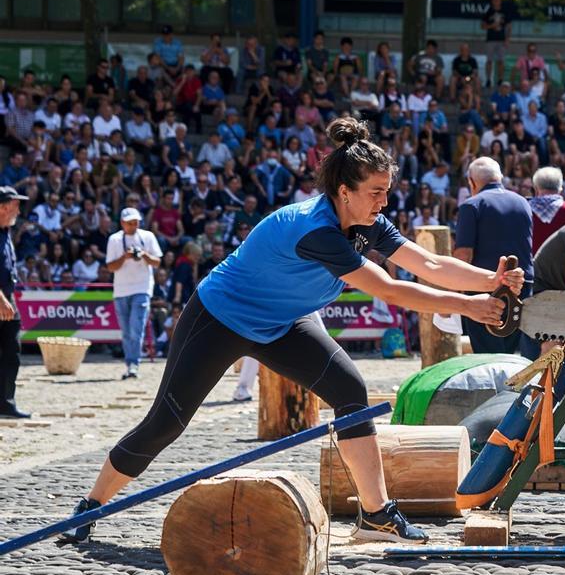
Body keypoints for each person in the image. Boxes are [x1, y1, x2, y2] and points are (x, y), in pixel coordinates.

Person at [62, 118, 521, 545]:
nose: (385, 202)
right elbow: (391, 291)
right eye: (377, 192)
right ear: (345, 191)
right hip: (220, 318)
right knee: (166, 423)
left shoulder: (366, 222)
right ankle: (91, 505)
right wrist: (469, 306)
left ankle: (377, 515)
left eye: (387, 192)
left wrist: (489, 281)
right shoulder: (316, 230)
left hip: (282, 322)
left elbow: (429, 263)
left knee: (349, 387)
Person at [453, 157, 533, 355]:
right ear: (500, 177)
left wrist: (456, 291)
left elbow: (464, 254)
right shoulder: (522, 202)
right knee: (509, 351)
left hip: (485, 289)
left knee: (488, 353)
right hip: (522, 287)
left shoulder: (471, 205)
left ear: (471, 182)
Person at [105, 208, 163, 380]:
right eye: (130, 222)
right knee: (126, 331)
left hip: (142, 288)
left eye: (136, 222)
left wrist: (143, 255)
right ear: (122, 223)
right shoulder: (114, 239)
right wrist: (125, 257)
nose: (133, 225)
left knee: (136, 329)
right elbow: (111, 267)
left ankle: (133, 364)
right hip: (121, 290)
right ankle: (130, 363)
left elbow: (157, 262)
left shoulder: (147, 236)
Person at [0, 187, 28, 418]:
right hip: (1, 299)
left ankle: (6, 402)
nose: (18, 209)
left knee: (12, 352)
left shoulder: (6, 231)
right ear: (2, 207)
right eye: (15, 204)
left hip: (7, 299)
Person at [530, 166, 565, 253]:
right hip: (561, 264)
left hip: (532, 262)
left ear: (536, 187)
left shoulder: (525, 208)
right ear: (560, 188)